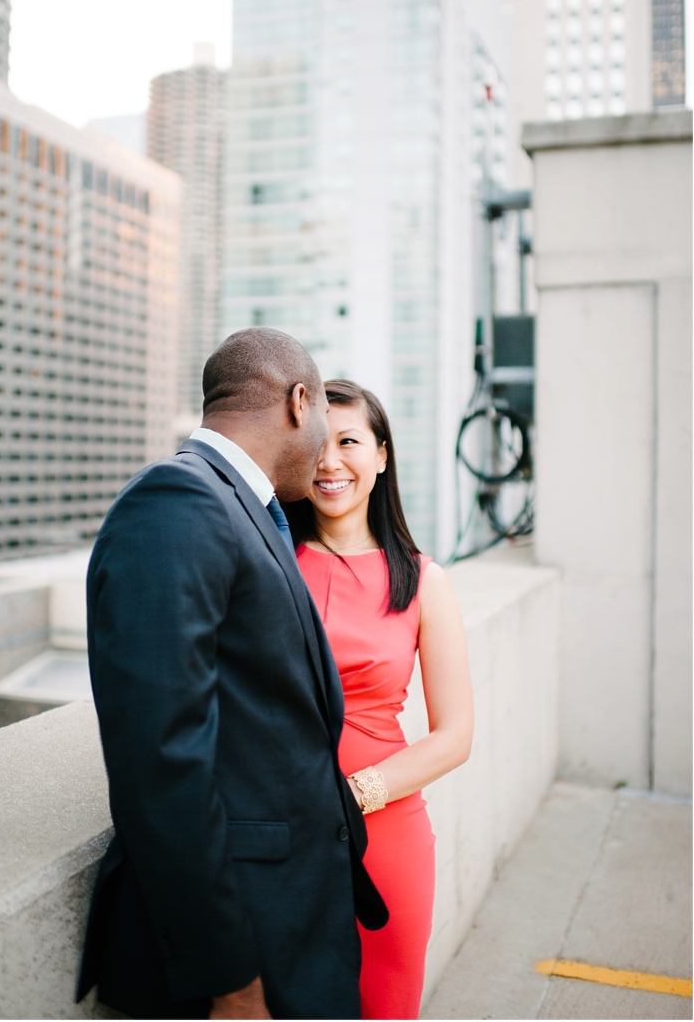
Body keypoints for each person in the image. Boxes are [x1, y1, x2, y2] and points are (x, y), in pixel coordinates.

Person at [77, 330, 387, 1021]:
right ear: (298, 402)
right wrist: (232, 983)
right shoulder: (176, 503)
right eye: (322, 426)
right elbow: (160, 763)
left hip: (298, 919)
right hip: (244, 953)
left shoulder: (251, 513)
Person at [284, 379, 475, 1021]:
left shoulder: (424, 581)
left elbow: (455, 735)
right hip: (277, 827)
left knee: (385, 1007)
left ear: (382, 455)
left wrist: (354, 796)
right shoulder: (266, 563)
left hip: (384, 832)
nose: (330, 461)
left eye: (348, 442)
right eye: (315, 444)